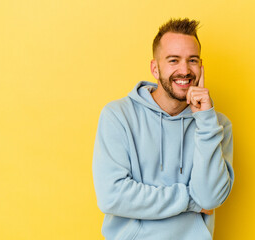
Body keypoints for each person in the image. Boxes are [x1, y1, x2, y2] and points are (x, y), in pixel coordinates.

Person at [92, 18, 234, 240]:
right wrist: (190, 200)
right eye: (173, 60)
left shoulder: (217, 125)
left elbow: (209, 198)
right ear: (155, 68)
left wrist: (205, 120)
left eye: (192, 60)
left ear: (201, 66)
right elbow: (112, 196)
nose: (185, 70)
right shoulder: (118, 116)